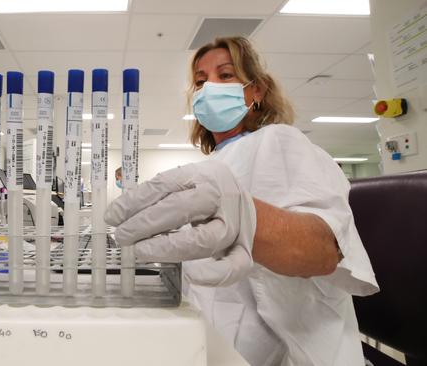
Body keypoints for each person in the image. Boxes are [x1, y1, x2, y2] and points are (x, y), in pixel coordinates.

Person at [105, 37, 379, 365]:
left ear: (256, 91)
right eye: (201, 81)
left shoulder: (280, 140)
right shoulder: (212, 165)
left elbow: (323, 252)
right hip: (210, 341)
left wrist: (246, 219)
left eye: (225, 75)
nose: (209, 88)